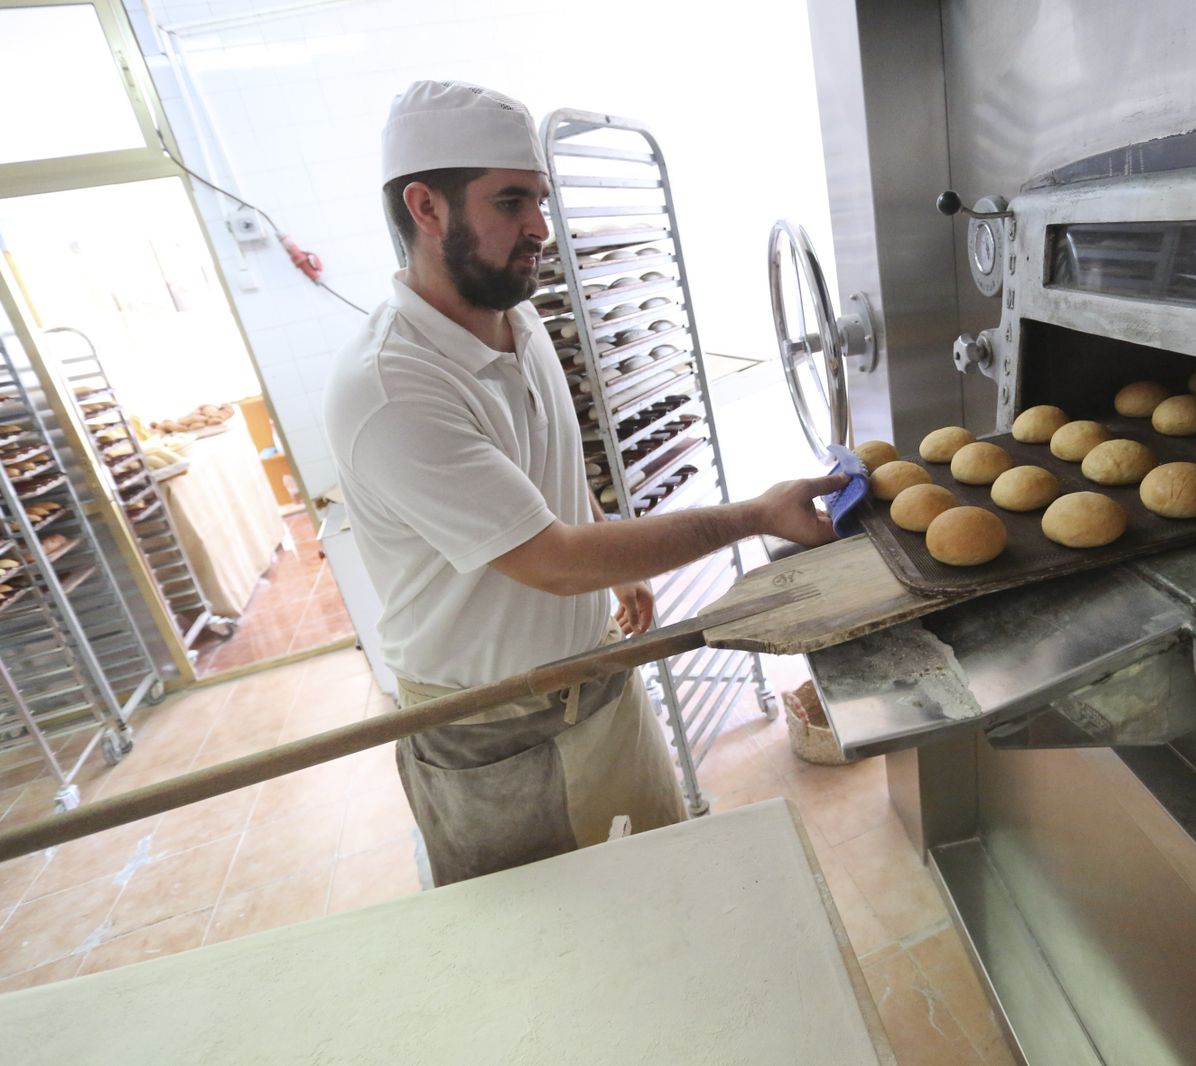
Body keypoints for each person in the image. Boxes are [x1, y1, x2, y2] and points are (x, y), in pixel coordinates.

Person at [324, 81, 845, 887]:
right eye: (511, 202)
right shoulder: (391, 386)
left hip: (595, 682)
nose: (541, 226)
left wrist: (621, 556)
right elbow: (552, 559)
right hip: (496, 727)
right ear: (426, 208)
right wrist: (751, 517)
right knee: (563, 952)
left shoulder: (515, 317)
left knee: (657, 887)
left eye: (541, 199)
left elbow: (547, 469)